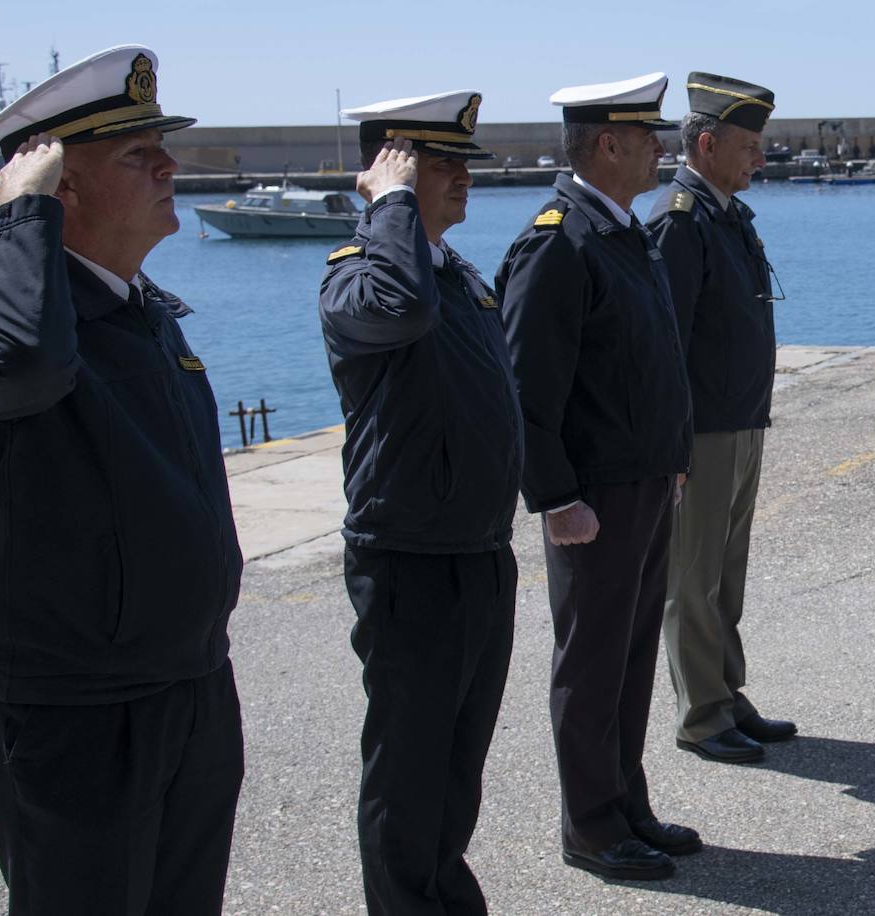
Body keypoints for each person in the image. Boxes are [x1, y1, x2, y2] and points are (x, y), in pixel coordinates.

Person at [0, 45, 244, 914]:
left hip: (187, 687)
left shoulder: (141, 310)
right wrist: (18, 220)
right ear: (59, 188)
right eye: (139, 156)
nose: (171, 166)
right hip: (70, 713)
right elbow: (20, 365)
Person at [319, 91, 524, 913]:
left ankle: (443, 893)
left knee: (457, 763)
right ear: (390, 172)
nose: (461, 177)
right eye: (438, 163)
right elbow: (397, 308)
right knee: (408, 770)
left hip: (478, 550)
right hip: (408, 558)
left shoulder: (458, 277)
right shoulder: (357, 282)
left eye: (463, 161)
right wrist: (390, 204)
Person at [496, 72, 697, 882]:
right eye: (650, 139)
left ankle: (625, 801)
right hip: (594, 495)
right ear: (609, 144)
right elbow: (525, 389)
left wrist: (673, 460)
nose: (662, 151)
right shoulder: (558, 241)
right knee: (591, 663)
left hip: (645, 481)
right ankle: (589, 823)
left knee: (632, 655)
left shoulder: (623, 230)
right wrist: (555, 498)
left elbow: (650, 363)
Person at [645, 72, 795, 766]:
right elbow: (664, 343)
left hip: (740, 421)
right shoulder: (680, 222)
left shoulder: (726, 215)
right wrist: (671, 443)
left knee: (725, 574)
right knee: (694, 578)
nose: (759, 159)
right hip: (702, 429)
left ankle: (725, 691)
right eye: (749, 146)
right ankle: (701, 715)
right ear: (707, 143)